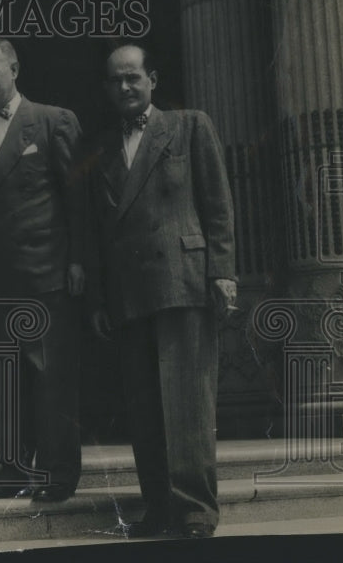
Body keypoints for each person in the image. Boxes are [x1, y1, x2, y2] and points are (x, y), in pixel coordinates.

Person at [86, 44, 237, 540]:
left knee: (188, 405)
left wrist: (223, 272)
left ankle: (195, 509)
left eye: (133, 77)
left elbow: (217, 203)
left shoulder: (190, 124)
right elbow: (102, 234)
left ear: (152, 78)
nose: (125, 87)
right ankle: (158, 505)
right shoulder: (104, 148)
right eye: (115, 81)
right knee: (145, 409)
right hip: (130, 294)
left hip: (183, 280)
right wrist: (102, 300)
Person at [0, 37, 85, 503]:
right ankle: (14, 469)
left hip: (44, 274)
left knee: (49, 378)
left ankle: (57, 473)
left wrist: (78, 261)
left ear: (14, 67)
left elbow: (78, 203)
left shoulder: (52, 121)